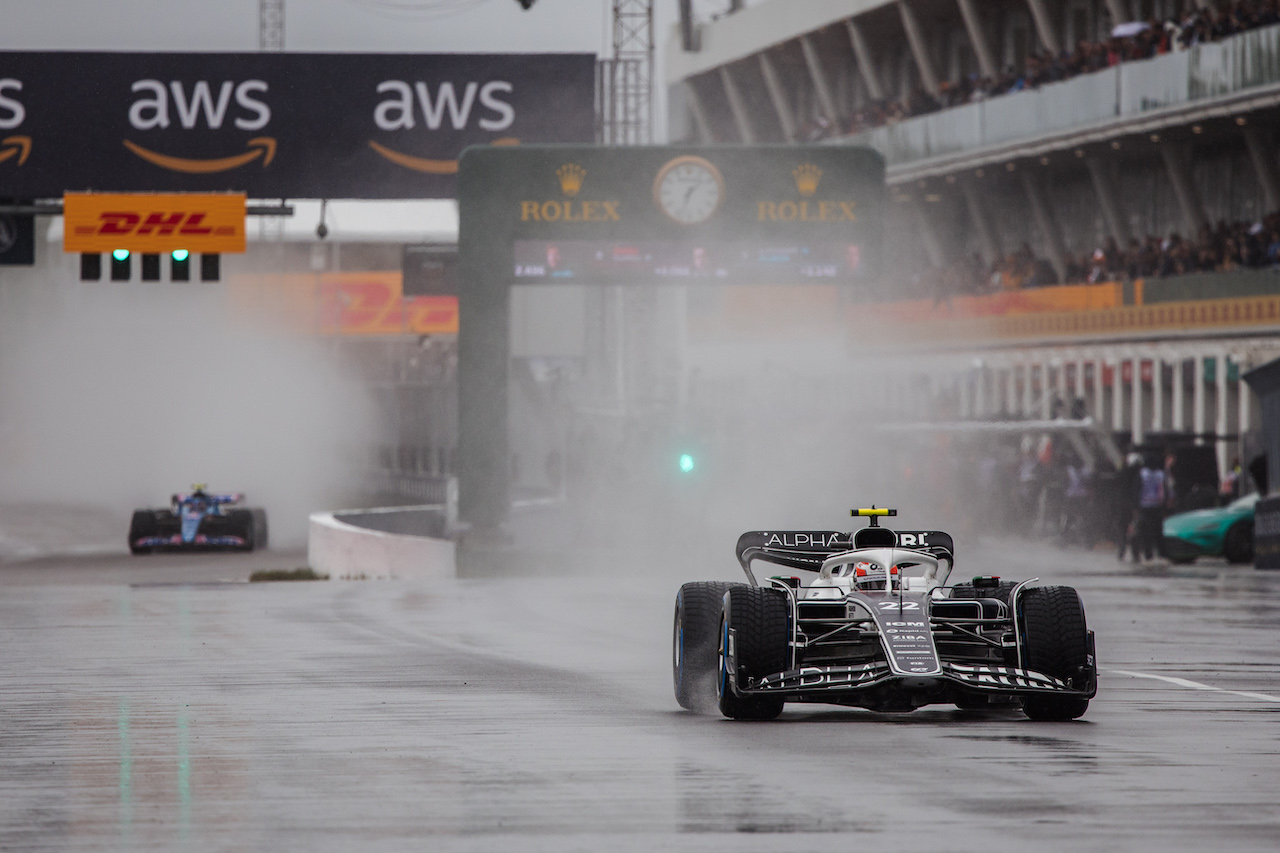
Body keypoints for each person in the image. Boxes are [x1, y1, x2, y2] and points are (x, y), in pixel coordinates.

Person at [1134, 456, 1168, 562]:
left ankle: (1148, 554)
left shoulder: (1142, 474)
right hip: (1157, 506)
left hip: (1144, 506)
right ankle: (1161, 552)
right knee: (1158, 530)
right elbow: (1164, 490)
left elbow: (1136, 490)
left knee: (1145, 532)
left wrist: (1135, 506)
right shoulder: (1160, 474)